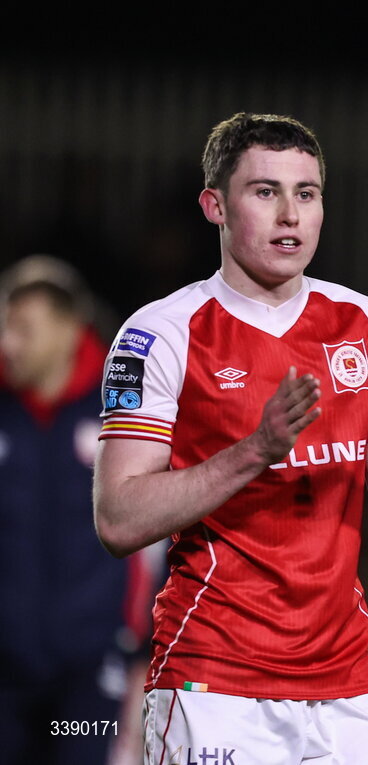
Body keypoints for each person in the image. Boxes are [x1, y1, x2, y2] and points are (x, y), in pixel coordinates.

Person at [92, 112, 368, 764]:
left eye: (307, 193)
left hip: (344, 684)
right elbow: (117, 519)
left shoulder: (367, 323)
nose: (290, 214)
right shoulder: (161, 333)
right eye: (265, 191)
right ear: (214, 204)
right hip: (214, 679)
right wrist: (255, 450)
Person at [0, 255, 142, 764]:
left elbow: (152, 539)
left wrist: (142, 646)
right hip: (6, 680)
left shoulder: (120, 414)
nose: (8, 343)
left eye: (23, 329)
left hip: (88, 675)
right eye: (5, 327)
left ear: (66, 329)